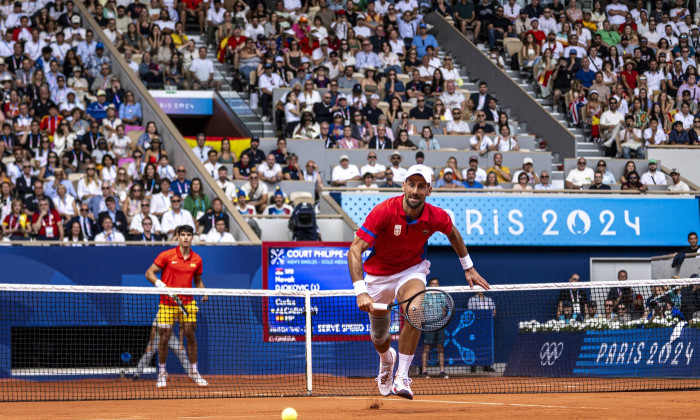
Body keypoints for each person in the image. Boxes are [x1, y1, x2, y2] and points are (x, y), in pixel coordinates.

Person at [347, 164, 490, 399]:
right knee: (379, 336)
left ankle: (401, 377)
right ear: (403, 186)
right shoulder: (383, 211)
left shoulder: (435, 216)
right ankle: (386, 361)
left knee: (416, 311)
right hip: (377, 277)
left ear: (429, 190)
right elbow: (354, 250)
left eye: (421, 186)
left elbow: (453, 233)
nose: (415, 190)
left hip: (411, 270)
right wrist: (360, 290)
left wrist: (469, 267)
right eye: (411, 184)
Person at [145, 225, 208, 389]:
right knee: (164, 337)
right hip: (167, 303)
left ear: (192, 237)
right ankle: (162, 373)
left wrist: (204, 292)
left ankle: (194, 372)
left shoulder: (197, 260)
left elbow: (198, 280)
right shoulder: (167, 255)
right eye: (183, 235)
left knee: (190, 334)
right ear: (178, 237)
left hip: (187, 303)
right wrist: (161, 285)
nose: (186, 238)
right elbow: (149, 273)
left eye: (189, 235)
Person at [420, 278, 448, 379]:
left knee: (440, 346)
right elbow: (422, 309)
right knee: (427, 347)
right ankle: (424, 371)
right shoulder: (425, 295)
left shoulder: (442, 295)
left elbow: (444, 309)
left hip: (440, 323)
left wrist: (441, 321)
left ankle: (442, 371)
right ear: (430, 285)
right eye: (433, 284)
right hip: (429, 323)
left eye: (436, 284)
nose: (435, 286)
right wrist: (424, 323)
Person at [466, 291, 496, 372]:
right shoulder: (472, 300)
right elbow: (471, 312)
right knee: (475, 344)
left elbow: (494, 312)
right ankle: (473, 366)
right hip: (475, 326)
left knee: (487, 344)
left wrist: (487, 317)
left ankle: (487, 366)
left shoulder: (489, 299)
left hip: (487, 326)